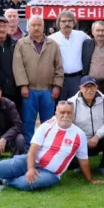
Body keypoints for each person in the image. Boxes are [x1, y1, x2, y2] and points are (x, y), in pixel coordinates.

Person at [0, 101, 104, 192]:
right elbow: (32, 150)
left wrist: (90, 180)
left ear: (73, 114)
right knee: (0, 166)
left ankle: (4, 181)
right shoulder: (47, 126)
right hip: (30, 160)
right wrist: (31, 168)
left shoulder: (79, 135)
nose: (65, 115)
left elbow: (83, 160)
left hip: (51, 173)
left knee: (29, 183)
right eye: (62, 112)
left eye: (69, 113)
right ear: (55, 113)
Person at [13, 16, 64, 145]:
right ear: (28, 27)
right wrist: (23, 85)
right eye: (33, 25)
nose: (36, 28)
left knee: (48, 122)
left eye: (39, 25)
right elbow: (18, 66)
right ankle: (28, 149)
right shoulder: (21, 43)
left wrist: (57, 86)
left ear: (43, 27)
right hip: (29, 91)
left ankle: (47, 148)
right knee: (28, 121)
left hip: (48, 90)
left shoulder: (53, 45)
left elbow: (59, 67)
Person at [67, 76, 104, 176]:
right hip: (81, 140)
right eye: (86, 87)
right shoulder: (71, 102)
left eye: (92, 87)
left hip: (99, 139)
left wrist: (97, 136)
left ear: (96, 87)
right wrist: (83, 139)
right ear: (80, 88)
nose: (89, 90)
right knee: (70, 165)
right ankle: (79, 164)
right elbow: (68, 124)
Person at [49, 11, 90, 101]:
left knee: (78, 107)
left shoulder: (81, 35)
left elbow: (93, 44)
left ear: (74, 22)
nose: (66, 23)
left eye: (69, 21)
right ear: (58, 23)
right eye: (63, 21)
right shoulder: (52, 39)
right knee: (61, 107)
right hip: (60, 80)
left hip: (77, 79)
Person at [81, 20, 104, 105]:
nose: (100, 33)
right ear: (93, 31)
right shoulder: (86, 44)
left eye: (103, 30)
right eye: (98, 30)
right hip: (90, 84)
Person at [0, 16, 20, 107]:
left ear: (8, 28)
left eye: (4, 26)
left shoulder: (16, 45)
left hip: (13, 91)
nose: (2, 29)